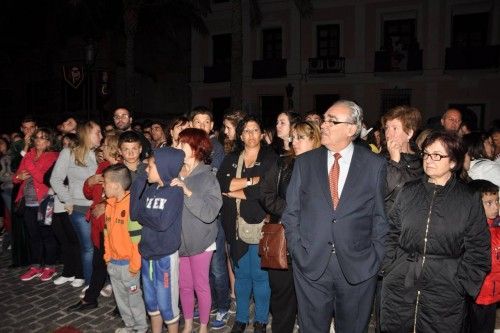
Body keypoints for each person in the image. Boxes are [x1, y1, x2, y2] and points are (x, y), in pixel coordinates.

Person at [281, 100, 388, 333]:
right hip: (311, 264)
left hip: (358, 267)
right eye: (325, 119)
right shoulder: (305, 163)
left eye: (332, 121)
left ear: (352, 129)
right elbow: (291, 213)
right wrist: (298, 250)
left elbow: (381, 218)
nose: (324, 125)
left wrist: (375, 258)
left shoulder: (374, 165)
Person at [380, 130, 491, 332]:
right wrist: (389, 266)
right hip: (401, 282)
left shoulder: (467, 199)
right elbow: (390, 232)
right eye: (427, 154)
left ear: (453, 162)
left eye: (437, 155)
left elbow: (479, 248)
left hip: (446, 288)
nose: (429, 160)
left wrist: (463, 284)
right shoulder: (408, 191)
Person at [217, 116, 278, 333]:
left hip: (262, 225)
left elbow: (266, 190)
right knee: (242, 275)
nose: (251, 135)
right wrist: (253, 182)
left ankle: (261, 319)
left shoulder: (271, 158)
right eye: (246, 131)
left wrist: (237, 191)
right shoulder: (232, 157)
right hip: (235, 226)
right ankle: (241, 318)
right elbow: (222, 184)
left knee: (261, 276)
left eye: (255, 130)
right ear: (241, 135)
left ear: (262, 133)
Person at [260, 120, 321, 333]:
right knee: (281, 296)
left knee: (312, 300)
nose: (294, 142)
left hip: (314, 242)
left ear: (315, 139)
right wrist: (291, 210)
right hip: (283, 240)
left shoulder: (326, 166)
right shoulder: (282, 163)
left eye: (301, 137)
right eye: (293, 137)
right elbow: (265, 194)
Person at [171, 128, 222, 333]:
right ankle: (189, 323)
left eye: (182, 144)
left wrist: (187, 192)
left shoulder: (208, 177)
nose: (177, 147)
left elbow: (210, 213)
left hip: (202, 241)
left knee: (201, 285)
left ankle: (203, 326)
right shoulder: (174, 173)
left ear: (195, 149)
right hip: (179, 241)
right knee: (184, 285)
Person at [130, 147, 184, 333]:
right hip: (147, 252)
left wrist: (144, 216)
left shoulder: (175, 192)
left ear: (163, 168)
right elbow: (134, 213)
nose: (146, 170)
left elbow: (162, 223)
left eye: (150, 166)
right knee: (152, 302)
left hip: (164, 257)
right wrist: (138, 181)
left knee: (166, 303)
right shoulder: (150, 189)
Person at [68, 131, 121, 311]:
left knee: (118, 268)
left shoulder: (123, 170)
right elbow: (89, 194)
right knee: (99, 264)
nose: (102, 148)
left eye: (105, 145)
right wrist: (89, 182)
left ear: (113, 148)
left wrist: (107, 205)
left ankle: (122, 305)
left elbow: (126, 197)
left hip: (116, 227)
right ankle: (91, 298)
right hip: (100, 226)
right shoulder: (102, 166)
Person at [189, 107, 230, 327]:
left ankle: (223, 306)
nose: (202, 126)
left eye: (206, 122)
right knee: (200, 265)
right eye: (198, 121)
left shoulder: (216, 148)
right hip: (192, 214)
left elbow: (212, 181)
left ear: (212, 126)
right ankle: (211, 302)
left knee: (216, 265)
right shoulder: (188, 146)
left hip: (213, 215)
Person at [50, 121, 102, 291]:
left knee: (101, 248)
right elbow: (55, 179)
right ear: (87, 134)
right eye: (97, 133)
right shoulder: (68, 152)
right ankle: (89, 285)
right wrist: (68, 200)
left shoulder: (100, 154)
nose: (101, 136)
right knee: (88, 248)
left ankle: (102, 281)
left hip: (101, 208)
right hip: (80, 208)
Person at [103, 164, 148, 333]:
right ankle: (129, 326)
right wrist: (107, 257)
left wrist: (135, 265)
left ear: (116, 185)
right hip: (114, 263)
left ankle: (141, 327)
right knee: (121, 299)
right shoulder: (109, 204)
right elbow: (106, 233)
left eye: (105, 183)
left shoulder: (131, 207)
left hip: (129, 265)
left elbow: (137, 240)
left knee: (134, 298)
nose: (103, 186)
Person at [14, 128, 59, 281]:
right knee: (33, 236)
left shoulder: (53, 156)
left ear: (49, 141)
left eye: (43, 138)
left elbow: (42, 178)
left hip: (45, 201)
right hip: (28, 203)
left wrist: (29, 163)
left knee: (47, 235)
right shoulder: (30, 154)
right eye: (37, 138)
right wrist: (19, 176)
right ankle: (35, 267)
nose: (39, 141)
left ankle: (50, 267)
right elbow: (16, 178)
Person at [468, 179, 500, 333]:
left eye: (497, 201)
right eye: (489, 203)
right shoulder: (473, 232)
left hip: (492, 295)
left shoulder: (497, 229)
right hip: (476, 296)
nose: (496, 207)